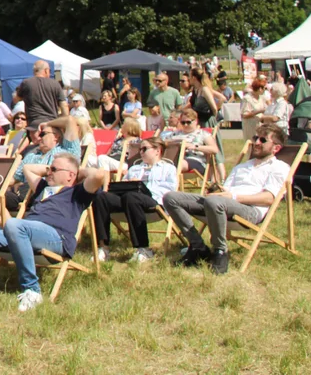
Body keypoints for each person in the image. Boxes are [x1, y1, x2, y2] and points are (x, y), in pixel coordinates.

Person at [0, 153, 107, 311]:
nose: (49, 172)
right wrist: (51, 169)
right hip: (21, 234)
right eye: (49, 168)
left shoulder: (78, 193)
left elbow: (99, 174)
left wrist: (77, 171)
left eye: (54, 169)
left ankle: (32, 290)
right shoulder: (43, 188)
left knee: (14, 224)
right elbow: (27, 168)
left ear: (70, 175)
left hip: (56, 238)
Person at [163, 123, 290, 274]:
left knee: (214, 201)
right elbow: (226, 190)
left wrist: (233, 197)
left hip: (250, 210)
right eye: (256, 138)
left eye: (263, 140)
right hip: (221, 204)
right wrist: (217, 190)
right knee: (171, 197)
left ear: (276, 148)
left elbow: (269, 198)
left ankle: (220, 250)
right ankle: (197, 246)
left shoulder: (279, 167)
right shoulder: (242, 166)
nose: (256, 143)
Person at [91, 139, 178, 263]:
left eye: (144, 149)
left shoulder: (168, 168)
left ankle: (143, 248)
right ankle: (103, 248)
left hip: (154, 202)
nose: (140, 152)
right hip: (129, 201)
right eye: (139, 149)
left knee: (132, 196)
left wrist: (142, 187)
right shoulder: (134, 169)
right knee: (101, 197)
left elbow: (170, 190)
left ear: (157, 151)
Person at [16, 60, 68, 127]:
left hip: (34, 125)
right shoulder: (55, 84)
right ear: (46, 70)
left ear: (34, 71)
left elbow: (17, 98)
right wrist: (64, 122)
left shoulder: (26, 83)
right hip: (52, 124)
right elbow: (64, 105)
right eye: (49, 70)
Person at [240, 78, 268, 142]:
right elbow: (244, 115)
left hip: (260, 125)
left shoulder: (262, 97)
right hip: (250, 125)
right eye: (264, 88)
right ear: (259, 89)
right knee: (252, 143)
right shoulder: (247, 98)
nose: (264, 90)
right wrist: (259, 111)